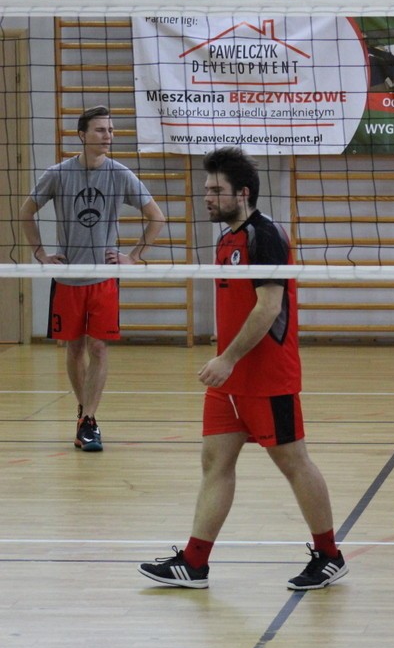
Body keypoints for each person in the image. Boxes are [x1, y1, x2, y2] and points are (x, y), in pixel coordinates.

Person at [139, 147, 346, 590]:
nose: (207, 197)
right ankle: (194, 563)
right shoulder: (225, 239)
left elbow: (268, 307)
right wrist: (226, 363)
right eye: (207, 189)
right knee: (215, 462)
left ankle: (330, 555)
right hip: (229, 379)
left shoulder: (265, 236)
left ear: (243, 193)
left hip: (267, 376)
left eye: (217, 190)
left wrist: (228, 358)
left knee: (293, 462)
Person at [19, 105, 166, 452]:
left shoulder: (120, 174)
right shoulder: (58, 174)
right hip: (69, 276)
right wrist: (40, 253)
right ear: (82, 135)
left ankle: (88, 420)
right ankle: (84, 411)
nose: (108, 136)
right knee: (74, 348)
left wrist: (133, 257)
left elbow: (156, 217)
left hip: (103, 277)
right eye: (101, 130)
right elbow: (26, 212)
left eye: (111, 130)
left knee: (98, 347)